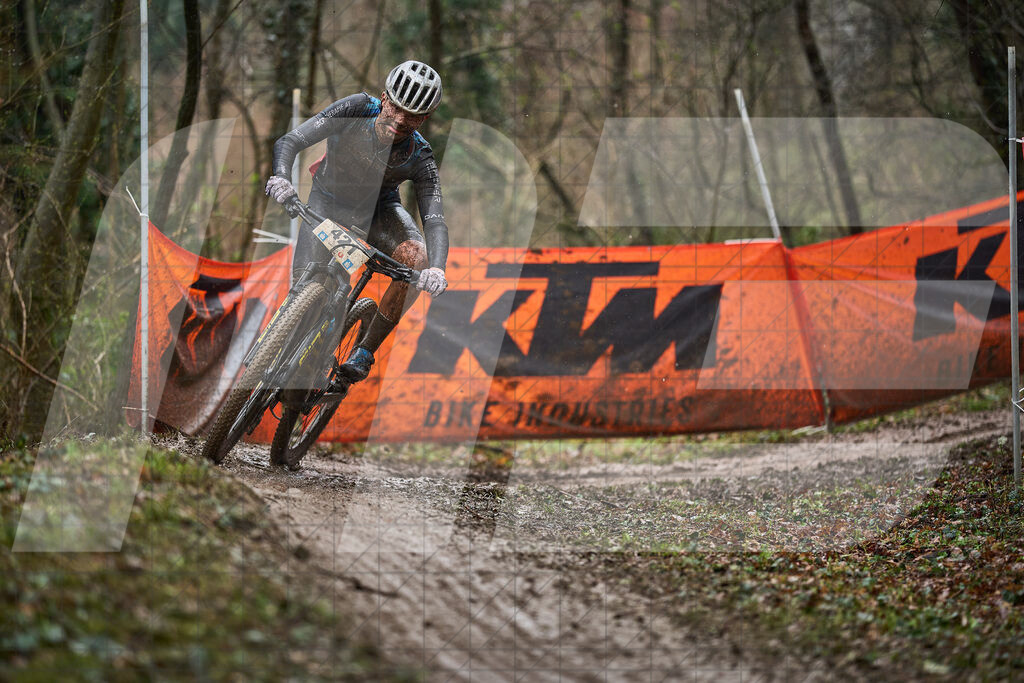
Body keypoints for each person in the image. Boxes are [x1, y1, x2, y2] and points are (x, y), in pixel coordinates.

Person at [265, 60, 449, 383]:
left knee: (418, 258)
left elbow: (435, 220)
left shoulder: (421, 156)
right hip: (328, 200)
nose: (400, 120)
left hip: (378, 212)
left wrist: (437, 269)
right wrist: (282, 177)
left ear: (425, 119)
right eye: (395, 107)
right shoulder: (356, 108)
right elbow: (290, 141)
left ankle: (364, 351)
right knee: (305, 292)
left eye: (412, 116)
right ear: (384, 97)